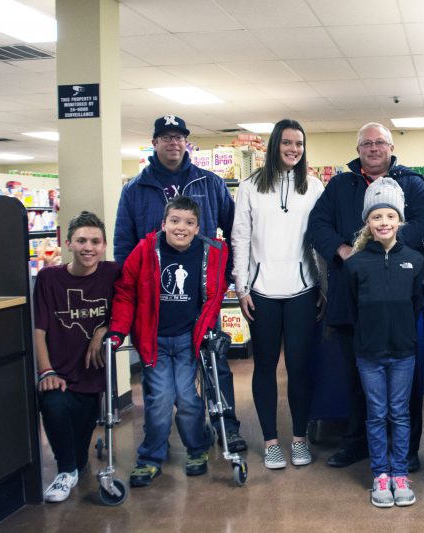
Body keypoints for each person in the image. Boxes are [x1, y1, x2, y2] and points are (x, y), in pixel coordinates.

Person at [113, 115, 246, 453]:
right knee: (160, 378)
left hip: (201, 297)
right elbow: (123, 244)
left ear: (186, 143)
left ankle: (226, 426)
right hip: (153, 304)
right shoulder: (135, 189)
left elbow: (235, 230)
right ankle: (164, 438)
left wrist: (224, 272)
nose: (173, 143)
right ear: (154, 143)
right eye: (166, 137)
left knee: (214, 363)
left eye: (179, 137)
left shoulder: (210, 183)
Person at [308, 122, 424, 471]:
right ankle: (356, 442)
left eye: (380, 142)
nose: (374, 148)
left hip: (399, 300)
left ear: (391, 147)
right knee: (355, 375)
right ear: (358, 148)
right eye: (366, 143)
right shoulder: (339, 184)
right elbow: (317, 224)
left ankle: (406, 450)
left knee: (405, 381)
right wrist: (345, 250)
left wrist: (388, 251)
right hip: (353, 298)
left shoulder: (413, 183)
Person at [106, 196, 228, 488]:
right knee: (159, 400)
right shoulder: (146, 250)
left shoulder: (211, 252)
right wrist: (117, 330)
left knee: (188, 399)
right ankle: (150, 458)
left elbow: (215, 294)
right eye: (174, 221)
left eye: (188, 222)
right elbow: (125, 292)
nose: (181, 228)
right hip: (154, 340)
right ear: (163, 224)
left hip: (188, 339)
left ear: (198, 228)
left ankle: (196, 449)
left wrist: (208, 328)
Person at [231, 119, 325, 469]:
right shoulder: (250, 187)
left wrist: (323, 288)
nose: (293, 149)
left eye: (299, 144)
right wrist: (241, 287)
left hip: (302, 289)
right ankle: (271, 441)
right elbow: (240, 238)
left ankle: (299, 438)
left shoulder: (313, 187)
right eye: (287, 143)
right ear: (274, 146)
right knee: (265, 367)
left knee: (299, 368)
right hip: (261, 292)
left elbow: (320, 240)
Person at [344, 178, 424, 507]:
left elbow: (415, 303)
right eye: (377, 217)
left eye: (390, 216)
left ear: (400, 220)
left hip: (404, 352)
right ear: (368, 222)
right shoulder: (356, 263)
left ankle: (400, 473)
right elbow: (353, 308)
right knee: (376, 414)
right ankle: (380, 474)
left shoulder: (415, 261)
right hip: (369, 354)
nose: (384, 223)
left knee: (400, 414)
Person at [33, 212, 121, 503]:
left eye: (95, 241)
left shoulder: (112, 273)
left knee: (81, 458)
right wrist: (46, 371)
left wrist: (102, 331)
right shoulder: (48, 278)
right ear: (67, 243)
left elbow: (123, 313)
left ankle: (73, 464)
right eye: (81, 240)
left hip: (91, 377)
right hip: (58, 373)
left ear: (104, 245)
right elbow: (39, 330)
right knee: (52, 402)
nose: (88, 247)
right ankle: (64, 473)